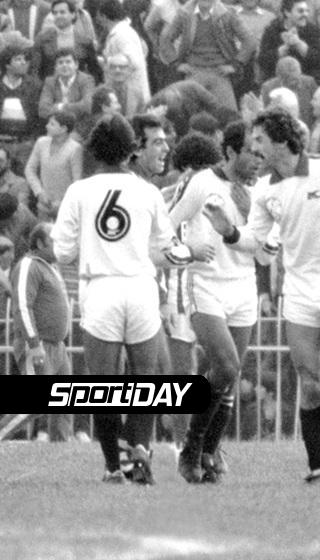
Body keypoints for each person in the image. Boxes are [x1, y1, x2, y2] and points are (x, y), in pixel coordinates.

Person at [203, 108, 320, 485]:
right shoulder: (265, 190)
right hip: (300, 293)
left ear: (281, 141)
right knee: (312, 384)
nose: (254, 148)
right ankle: (318, 468)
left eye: (259, 140)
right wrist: (228, 231)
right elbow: (256, 243)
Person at [50, 114, 212, 484]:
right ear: (130, 151)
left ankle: (113, 467)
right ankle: (139, 449)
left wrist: (92, 246)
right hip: (140, 288)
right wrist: (190, 251)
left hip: (101, 288)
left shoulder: (79, 192)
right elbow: (167, 249)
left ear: (95, 150)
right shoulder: (148, 192)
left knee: (103, 387)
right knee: (146, 380)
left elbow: (62, 252)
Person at [167, 121, 268, 483]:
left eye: (262, 153)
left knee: (230, 375)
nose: (258, 159)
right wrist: (186, 249)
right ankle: (192, 447)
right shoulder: (202, 182)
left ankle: (208, 452)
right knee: (225, 366)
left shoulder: (262, 190)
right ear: (230, 152)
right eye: (252, 152)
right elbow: (165, 225)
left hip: (243, 286)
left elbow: (265, 252)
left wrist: (247, 219)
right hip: (205, 283)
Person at [10, 223, 72, 441]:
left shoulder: (50, 267)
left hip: (57, 346)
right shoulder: (28, 265)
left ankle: (61, 450)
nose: (59, 245)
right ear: (39, 243)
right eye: (53, 240)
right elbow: (22, 307)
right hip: (38, 345)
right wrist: (34, 344)